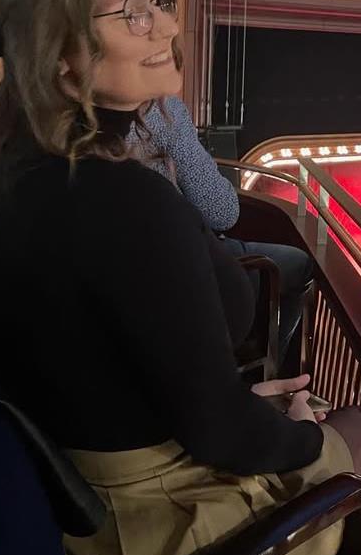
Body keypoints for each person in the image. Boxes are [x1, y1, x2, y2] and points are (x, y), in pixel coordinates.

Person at [0, 0, 361, 555]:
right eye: (132, 14)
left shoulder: (17, 169)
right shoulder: (121, 202)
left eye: (159, 4)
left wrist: (233, 406)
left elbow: (99, 355)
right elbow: (222, 434)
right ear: (63, 58)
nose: (169, 28)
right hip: (158, 550)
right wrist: (304, 433)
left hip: (87, 501)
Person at [132, 96, 314, 368]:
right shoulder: (159, 112)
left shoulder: (52, 126)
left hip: (125, 284)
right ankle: (267, 375)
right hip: (176, 274)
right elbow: (222, 212)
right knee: (300, 264)